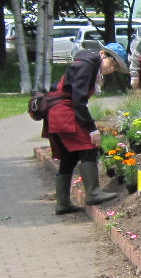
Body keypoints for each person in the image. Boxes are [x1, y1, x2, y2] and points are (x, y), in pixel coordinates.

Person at [42, 45, 118, 215]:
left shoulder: (87, 63)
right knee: (89, 148)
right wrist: (91, 128)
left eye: (116, 68)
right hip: (64, 111)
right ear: (103, 55)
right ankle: (93, 192)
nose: (112, 70)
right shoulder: (88, 65)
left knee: (69, 156)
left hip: (58, 111)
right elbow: (78, 100)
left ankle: (63, 203)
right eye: (112, 63)